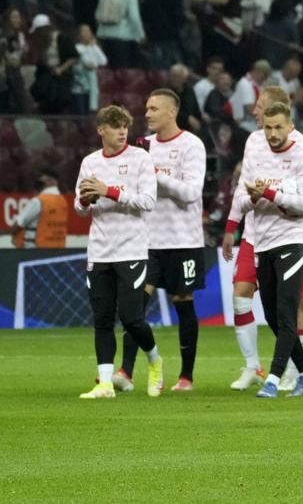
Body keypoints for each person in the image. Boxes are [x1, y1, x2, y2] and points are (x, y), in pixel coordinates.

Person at [115, 90, 207, 393]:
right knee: (135, 306)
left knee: (183, 304)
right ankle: (126, 372)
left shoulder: (192, 145)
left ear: (172, 111)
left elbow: (190, 193)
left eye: (154, 108)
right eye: (147, 108)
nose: (147, 114)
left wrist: (154, 175)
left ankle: (186, 377)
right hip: (147, 242)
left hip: (183, 240)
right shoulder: (143, 146)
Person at [222, 85, 303, 391]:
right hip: (256, 236)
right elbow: (244, 188)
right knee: (251, 301)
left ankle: (287, 373)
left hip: (289, 236)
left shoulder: (301, 148)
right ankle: (261, 367)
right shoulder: (253, 141)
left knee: (291, 306)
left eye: (260, 106)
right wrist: (232, 225)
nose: (254, 111)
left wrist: (272, 195)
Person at [75, 105, 161, 399]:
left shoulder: (140, 158)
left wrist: (108, 191)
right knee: (102, 319)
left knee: (131, 318)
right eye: (115, 126)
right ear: (101, 130)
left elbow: (148, 201)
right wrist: (86, 200)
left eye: (125, 126)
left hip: (131, 249)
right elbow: (79, 207)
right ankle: (105, 384)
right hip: (99, 251)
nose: (122, 131)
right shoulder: (90, 162)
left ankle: (154, 361)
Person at [10, 167, 68, 248]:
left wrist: (12, 234)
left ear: (50, 180)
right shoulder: (63, 201)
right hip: (58, 248)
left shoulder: (38, 200)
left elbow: (19, 223)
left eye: (41, 177)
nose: (38, 180)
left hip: (36, 249)